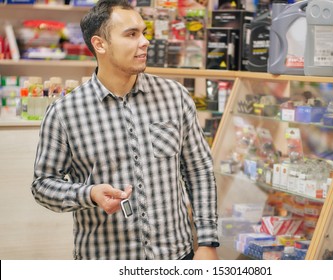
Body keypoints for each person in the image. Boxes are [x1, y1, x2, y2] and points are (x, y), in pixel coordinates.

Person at [31, 0, 219, 260]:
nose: (145, 42)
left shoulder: (174, 96)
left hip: (176, 256)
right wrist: (89, 193)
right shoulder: (65, 112)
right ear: (100, 44)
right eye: (131, 34)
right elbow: (43, 185)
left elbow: (199, 169)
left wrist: (208, 242)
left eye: (144, 32)